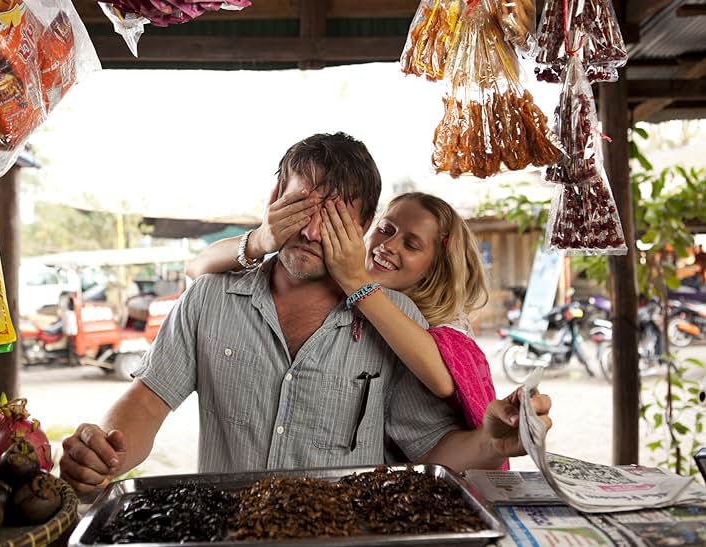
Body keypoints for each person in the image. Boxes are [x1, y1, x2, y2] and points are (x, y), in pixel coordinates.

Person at [59, 132, 552, 495]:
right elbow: (146, 403)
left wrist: (489, 445)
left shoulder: (392, 318)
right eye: (299, 208)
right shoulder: (210, 298)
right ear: (274, 200)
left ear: (361, 226)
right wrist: (105, 454)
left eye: (336, 218)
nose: (313, 231)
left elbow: (428, 449)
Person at [187, 191, 497, 434]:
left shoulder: (445, 326)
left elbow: (442, 380)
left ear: (435, 268)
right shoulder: (338, 292)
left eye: (411, 245)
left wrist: (357, 284)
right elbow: (197, 267)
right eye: (386, 229)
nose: (388, 245)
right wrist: (259, 240)